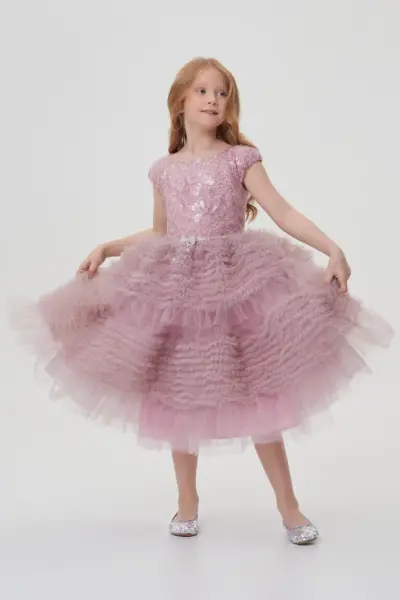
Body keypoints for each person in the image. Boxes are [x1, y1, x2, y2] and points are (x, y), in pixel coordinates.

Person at [10, 57, 394, 545]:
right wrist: (109, 247)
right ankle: (187, 500)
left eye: (222, 93)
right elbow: (161, 232)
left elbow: (281, 210)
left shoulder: (240, 160)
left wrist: (332, 249)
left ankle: (289, 504)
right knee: (179, 389)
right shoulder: (163, 171)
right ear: (180, 102)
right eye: (203, 91)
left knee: (260, 391)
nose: (214, 100)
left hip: (235, 285)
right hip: (178, 288)